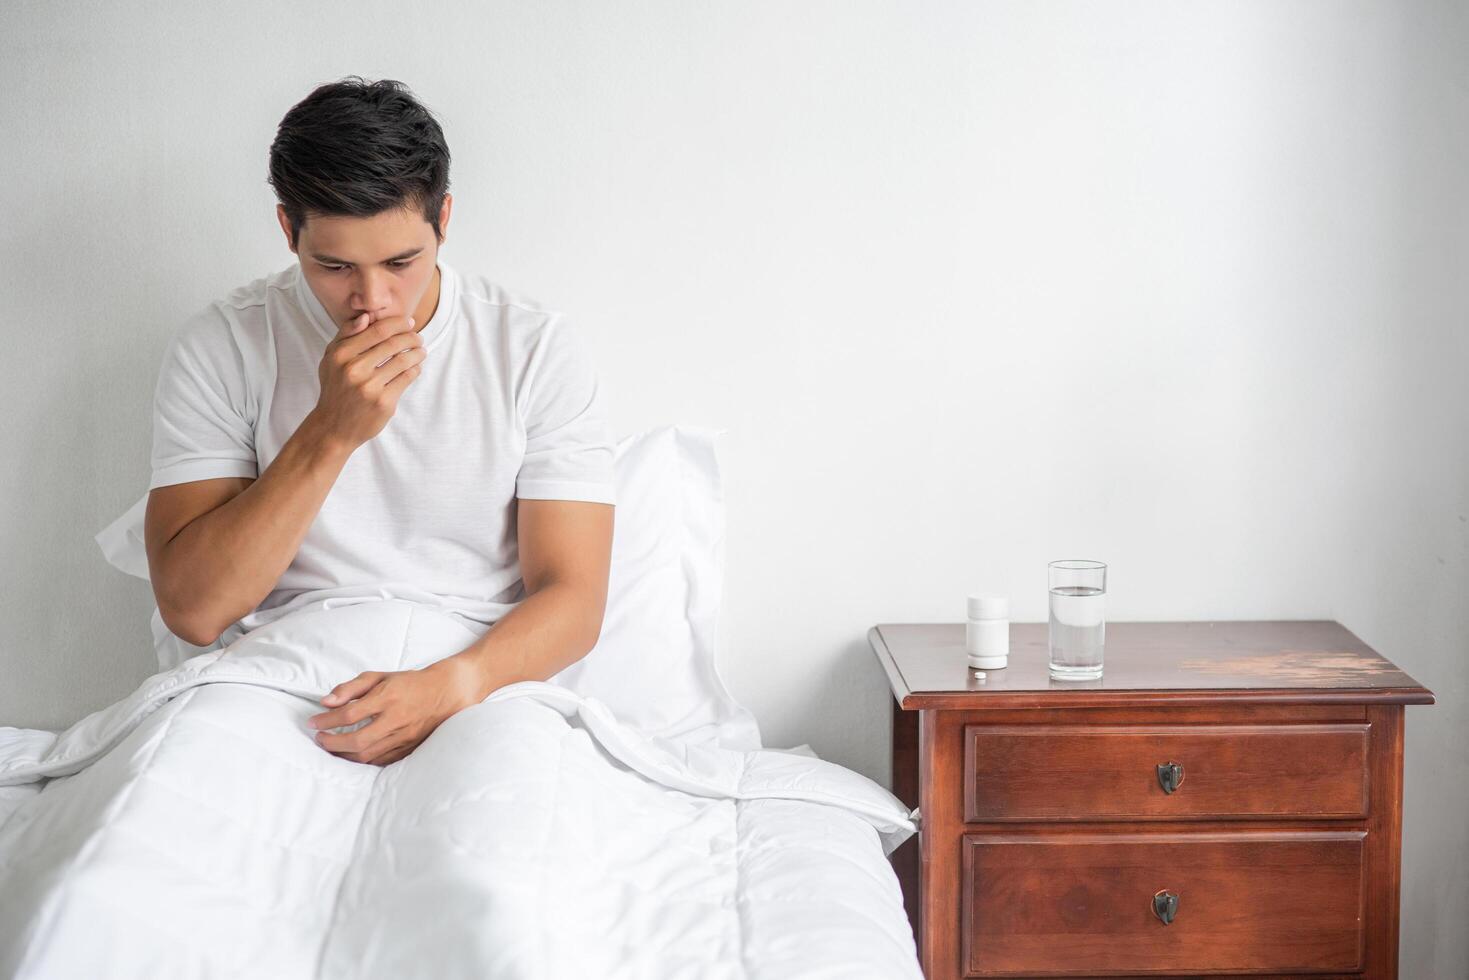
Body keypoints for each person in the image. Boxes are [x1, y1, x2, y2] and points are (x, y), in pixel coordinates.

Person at [142, 76, 616, 768]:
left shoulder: (533, 347)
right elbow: (193, 608)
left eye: (401, 262)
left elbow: (573, 597)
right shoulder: (223, 344)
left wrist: (455, 685)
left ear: (443, 220)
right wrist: (330, 431)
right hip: (282, 674)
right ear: (286, 230)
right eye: (333, 266)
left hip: (479, 675)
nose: (371, 298)